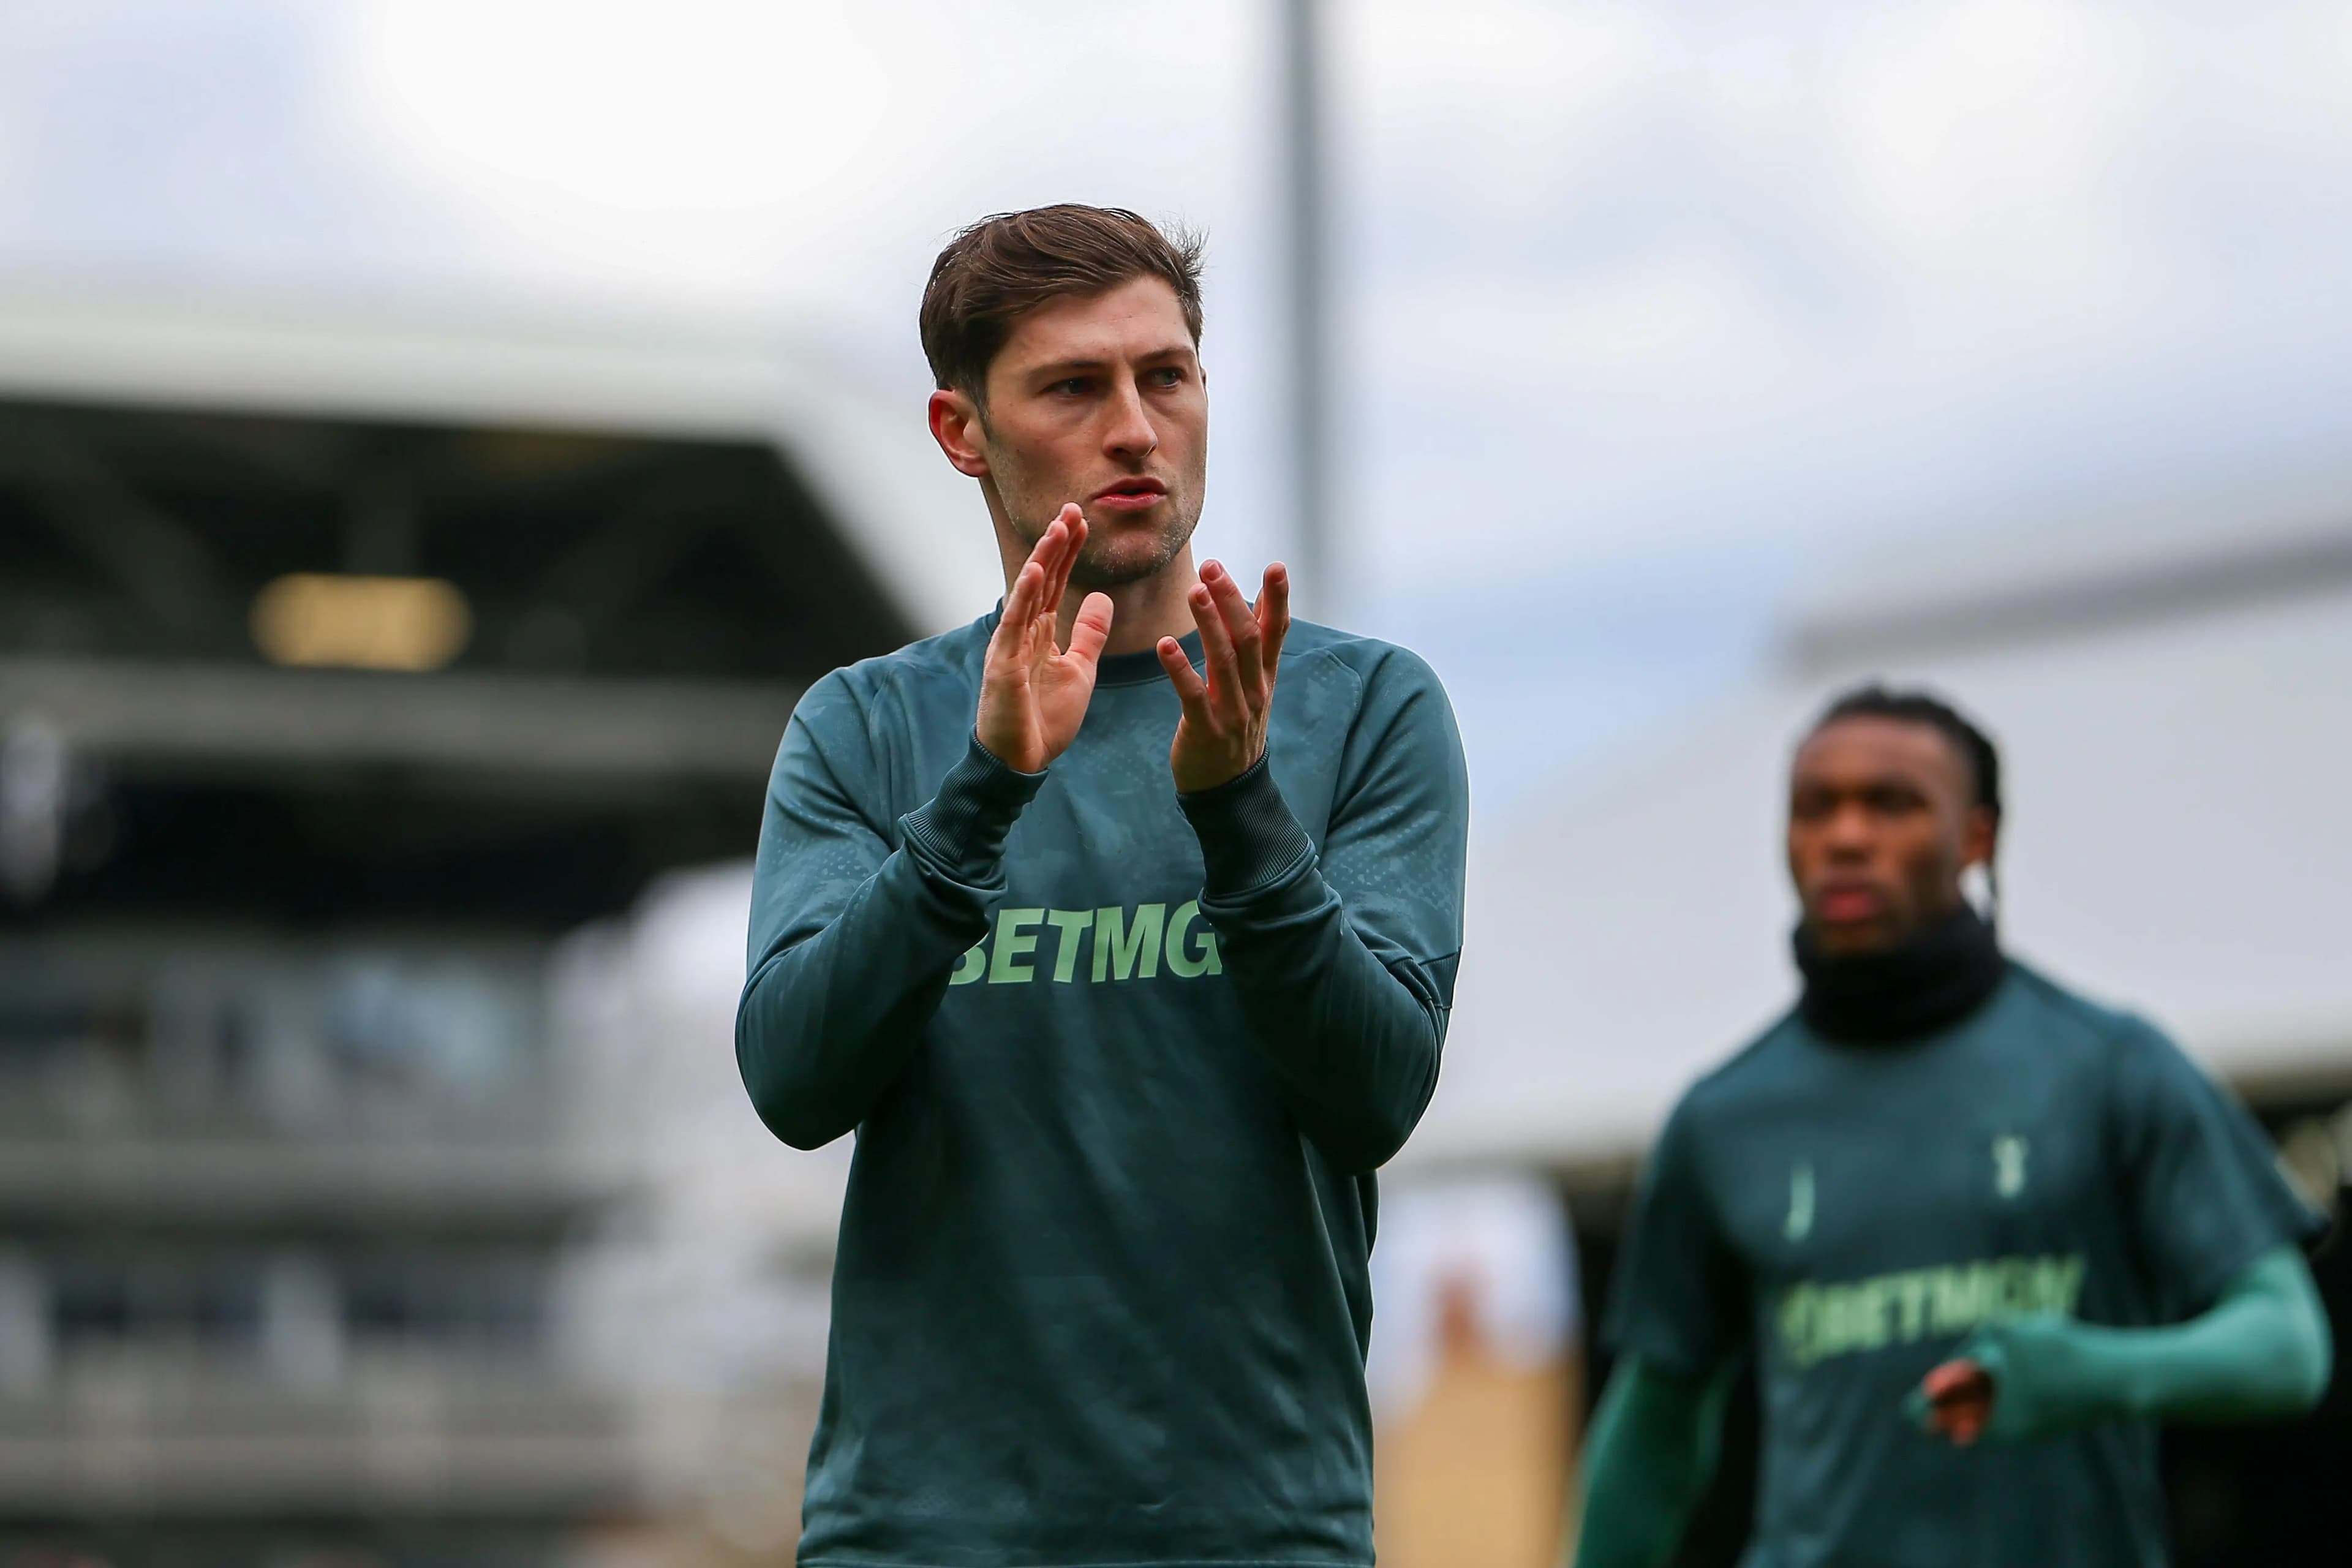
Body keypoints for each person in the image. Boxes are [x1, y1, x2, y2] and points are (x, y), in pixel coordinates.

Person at [736, 205, 1469, 1566]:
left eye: (1167, 375)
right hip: (923, 1534)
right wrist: (985, 792)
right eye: (1075, 385)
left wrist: (1239, 807)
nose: (1136, 426)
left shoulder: (1366, 708)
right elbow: (794, 1081)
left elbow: (1375, 1094)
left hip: (1257, 1532)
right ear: (964, 432)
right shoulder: (864, 724)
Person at [1575, 685, 2332, 1568]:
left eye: (1892, 804)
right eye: (1815, 808)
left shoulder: (2110, 1066)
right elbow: (1655, 1433)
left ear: (1978, 838)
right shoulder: (1722, 1118)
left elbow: (2287, 1344)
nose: (1847, 837)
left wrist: (2089, 1373)